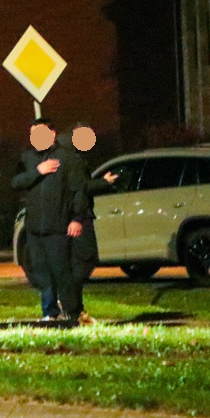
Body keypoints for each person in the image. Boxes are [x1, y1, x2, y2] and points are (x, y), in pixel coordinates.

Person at [11, 118, 90, 324]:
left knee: (62, 272)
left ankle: (73, 312)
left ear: (52, 134)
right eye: (32, 135)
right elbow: (16, 182)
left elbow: (78, 191)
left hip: (59, 227)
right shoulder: (28, 158)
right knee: (42, 273)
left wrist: (76, 218)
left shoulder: (67, 159)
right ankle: (49, 312)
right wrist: (38, 171)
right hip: (35, 228)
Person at [59, 123, 117, 325]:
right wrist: (104, 183)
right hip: (79, 216)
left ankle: (73, 307)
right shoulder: (72, 159)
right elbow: (80, 188)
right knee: (85, 259)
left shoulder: (66, 154)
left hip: (73, 215)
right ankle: (69, 304)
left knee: (78, 261)